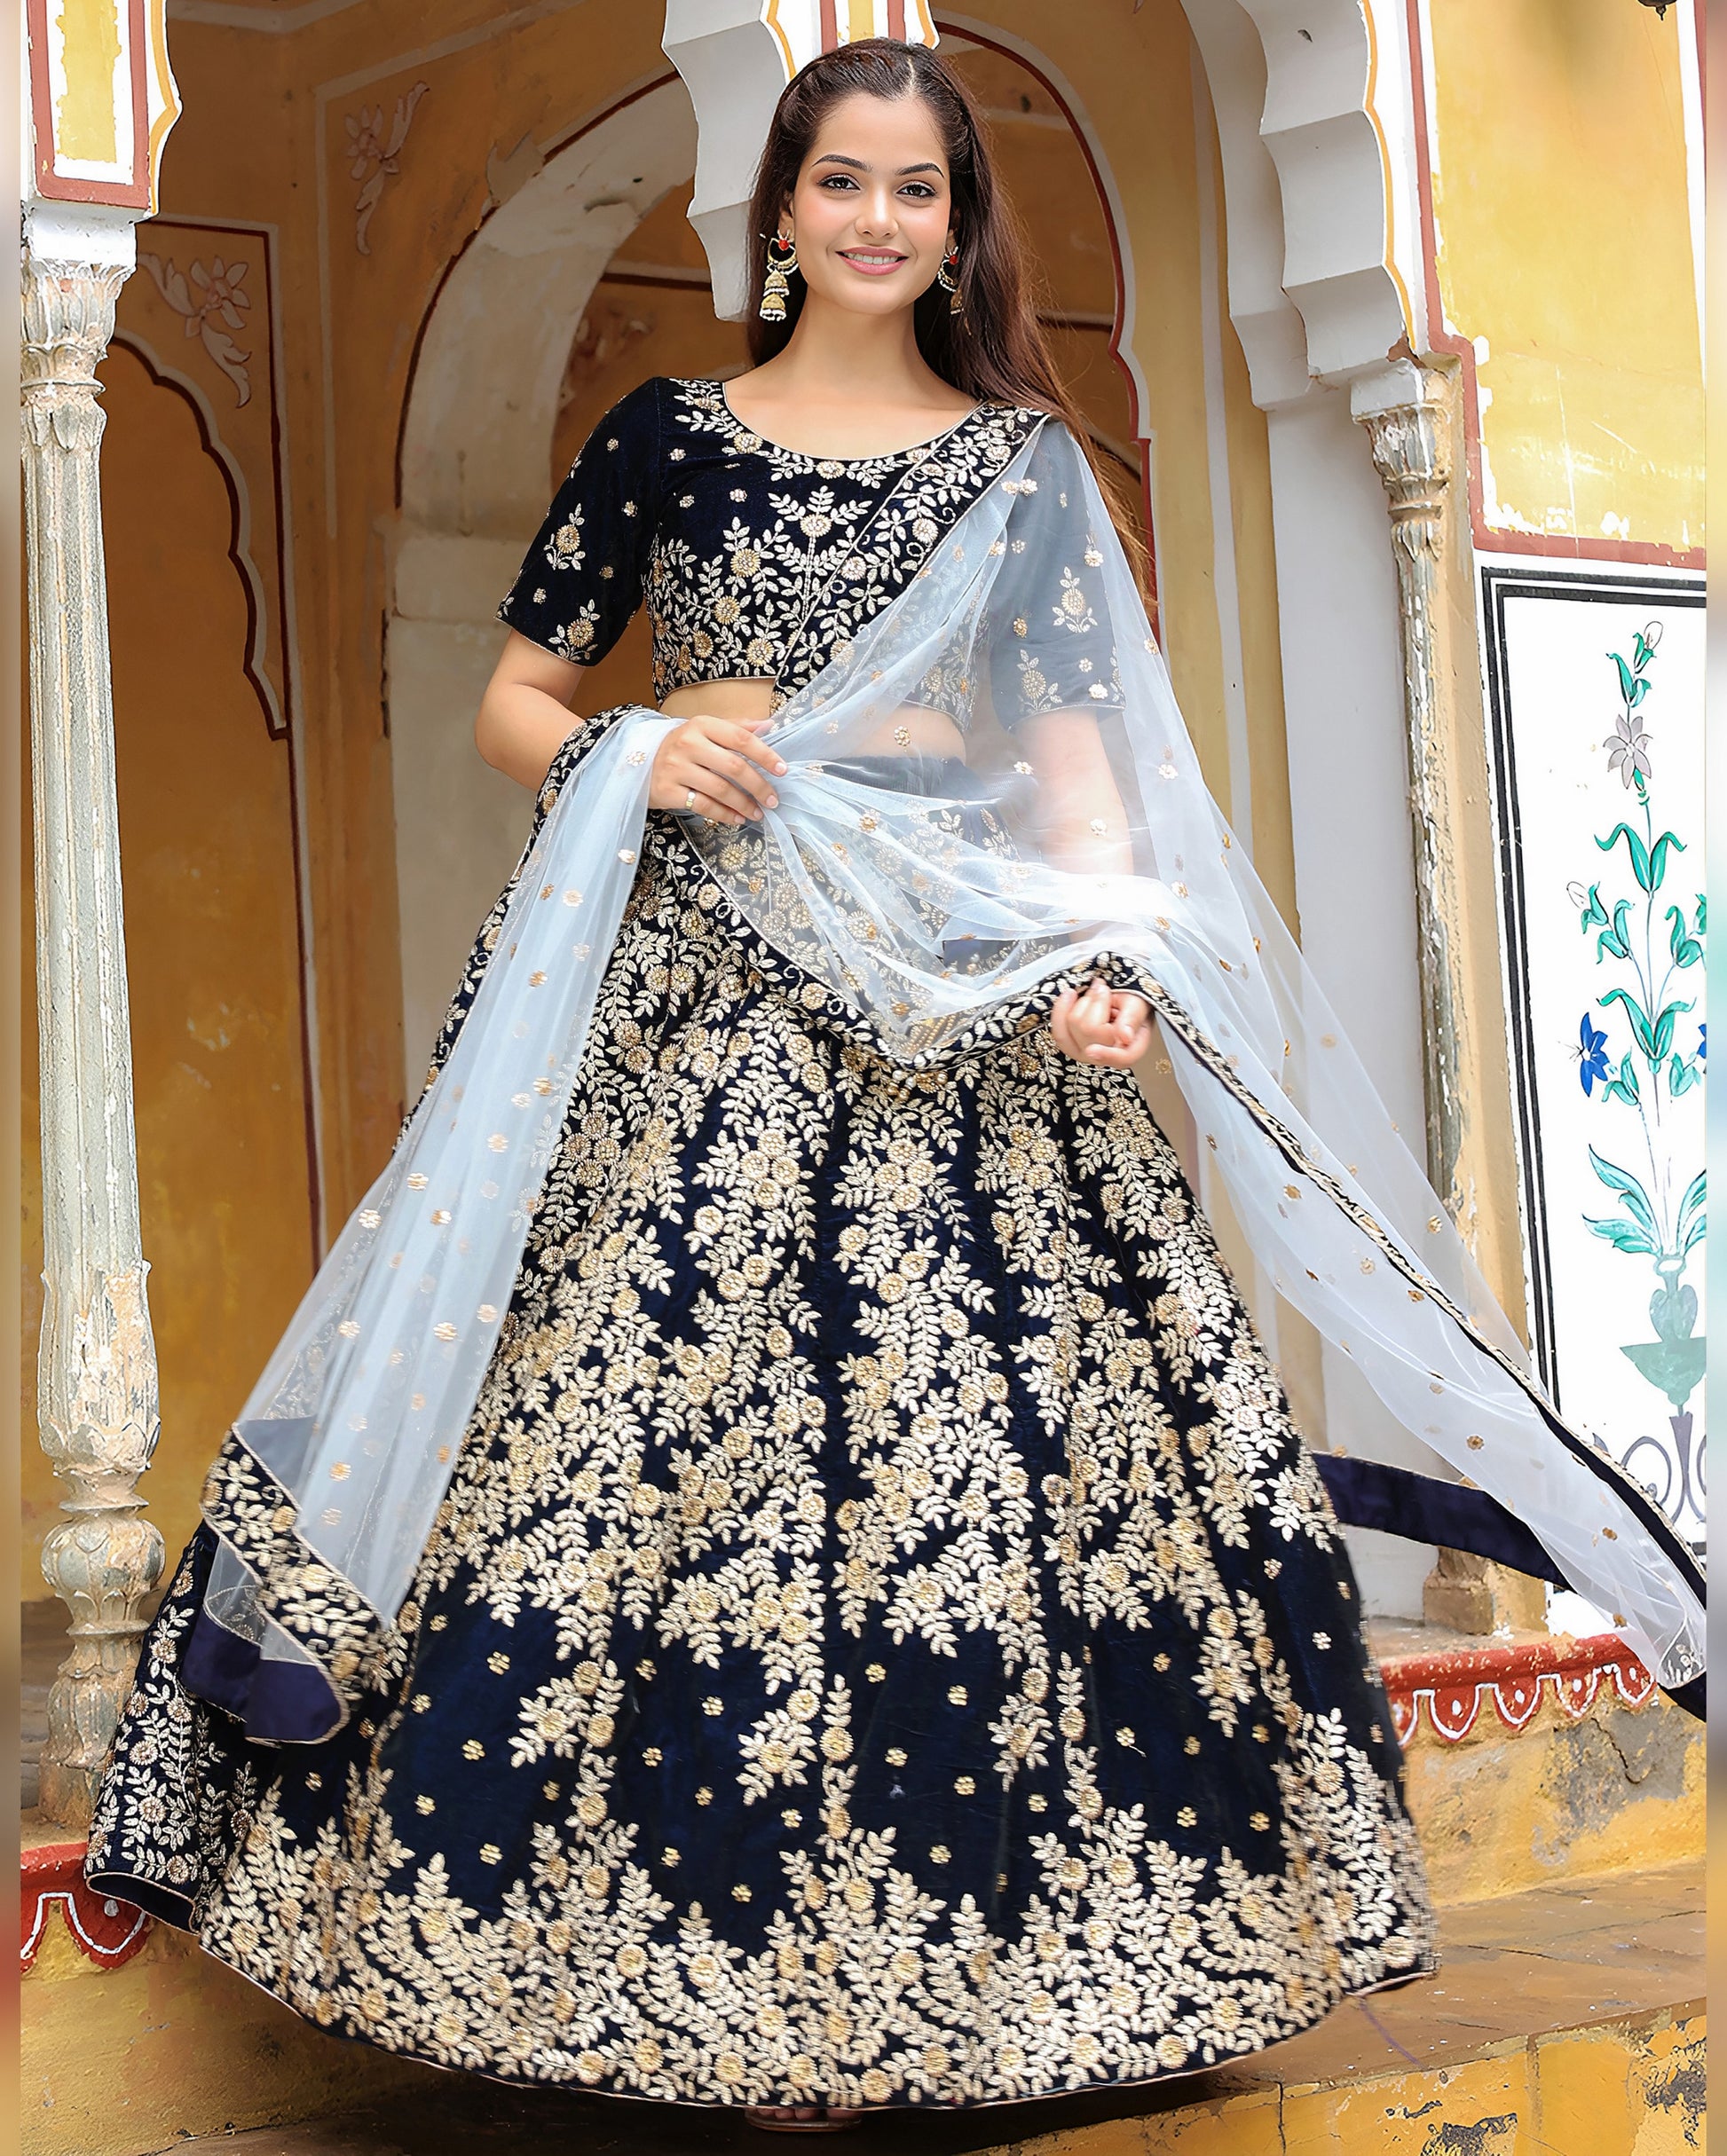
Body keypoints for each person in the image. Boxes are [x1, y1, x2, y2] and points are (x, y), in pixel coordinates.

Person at [86, 36, 1701, 2136]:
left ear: (957, 224)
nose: (871, 220)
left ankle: (1051, 1976)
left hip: (972, 1027)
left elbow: (1083, 782)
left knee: (1027, 1484)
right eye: (837, 183)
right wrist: (632, 753)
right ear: (780, 209)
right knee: (657, 1467)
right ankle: (699, 2001)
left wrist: (1109, 966)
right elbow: (516, 694)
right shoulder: (664, 444)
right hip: (696, 1024)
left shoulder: (1020, 470)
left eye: (913, 192)